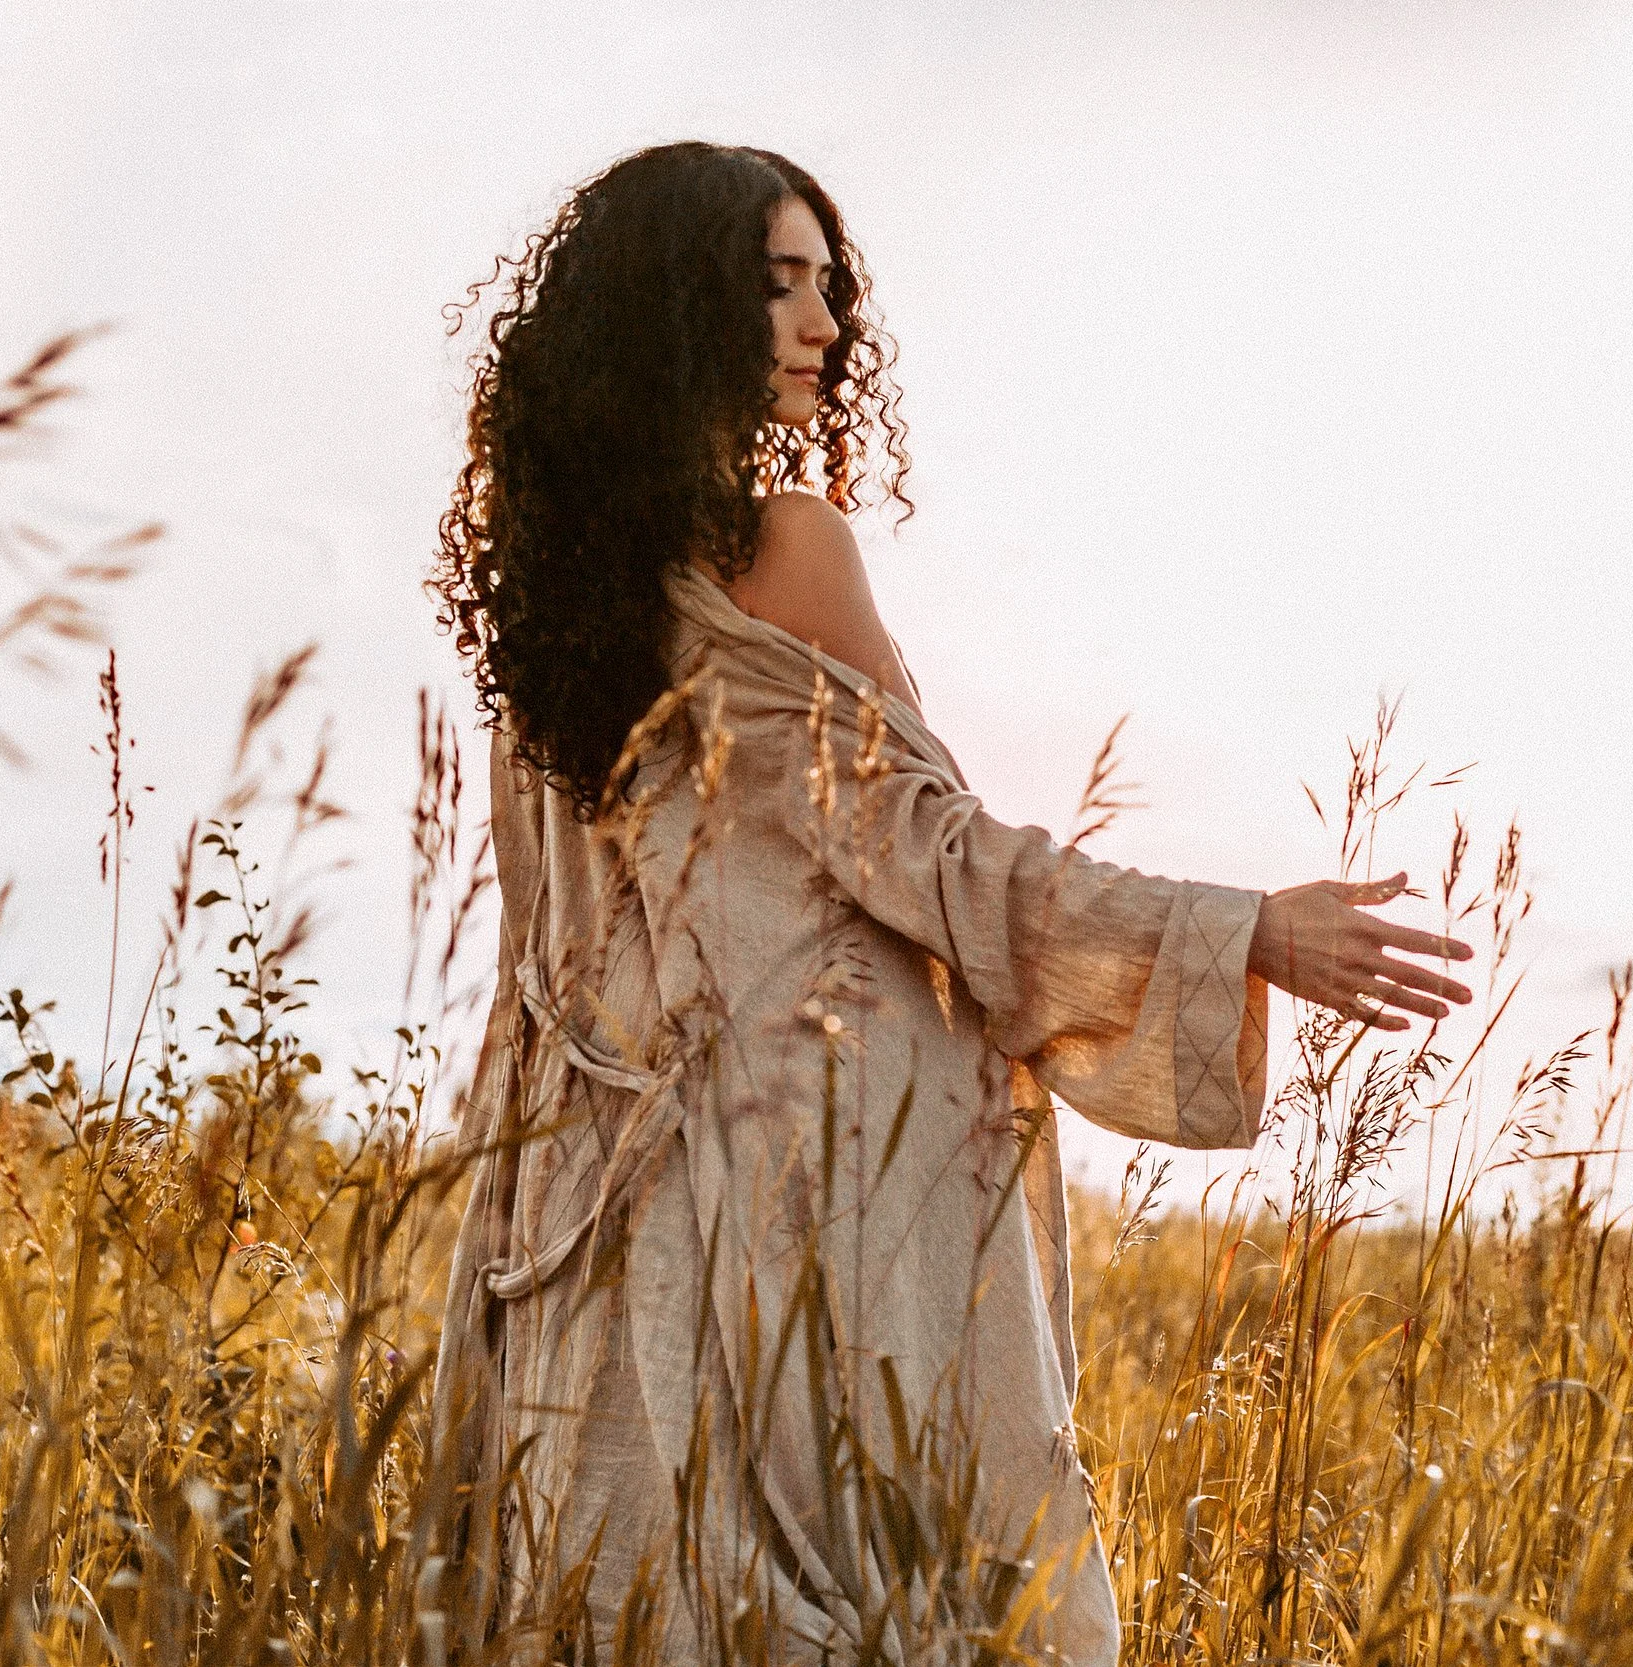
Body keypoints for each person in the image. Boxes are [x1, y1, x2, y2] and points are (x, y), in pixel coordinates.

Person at [427, 141, 1472, 1665]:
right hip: (787, 1222)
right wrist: (1246, 929)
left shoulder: (549, 618)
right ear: (676, 312)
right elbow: (944, 862)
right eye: (778, 283)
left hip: (586, 1238)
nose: (825, 325)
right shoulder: (785, 549)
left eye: (827, 287)